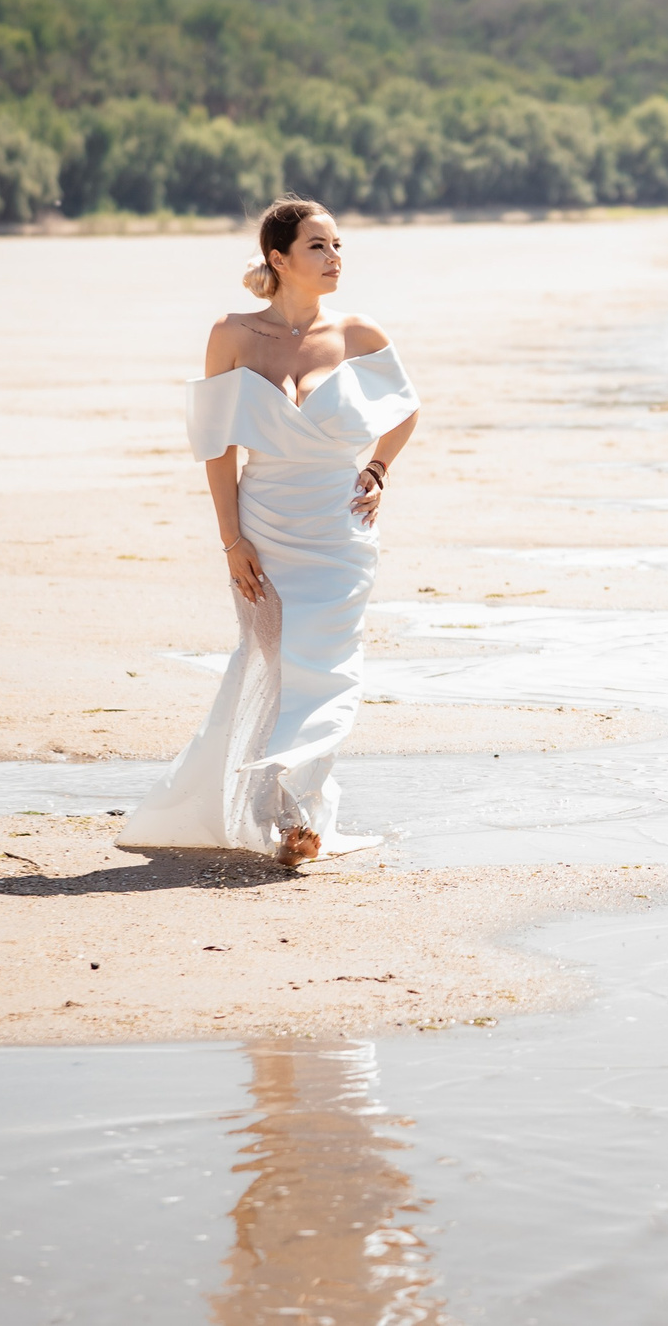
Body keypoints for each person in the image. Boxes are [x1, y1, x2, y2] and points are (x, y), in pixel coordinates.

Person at [120, 198, 419, 868]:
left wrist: (377, 469)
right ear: (278, 259)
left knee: (329, 669)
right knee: (271, 659)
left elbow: (406, 409)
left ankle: (297, 814)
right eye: (318, 246)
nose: (335, 257)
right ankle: (271, 809)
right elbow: (216, 446)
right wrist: (232, 542)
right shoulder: (231, 334)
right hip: (264, 524)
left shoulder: (359, 333)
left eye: (338, 245)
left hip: (340, 529)